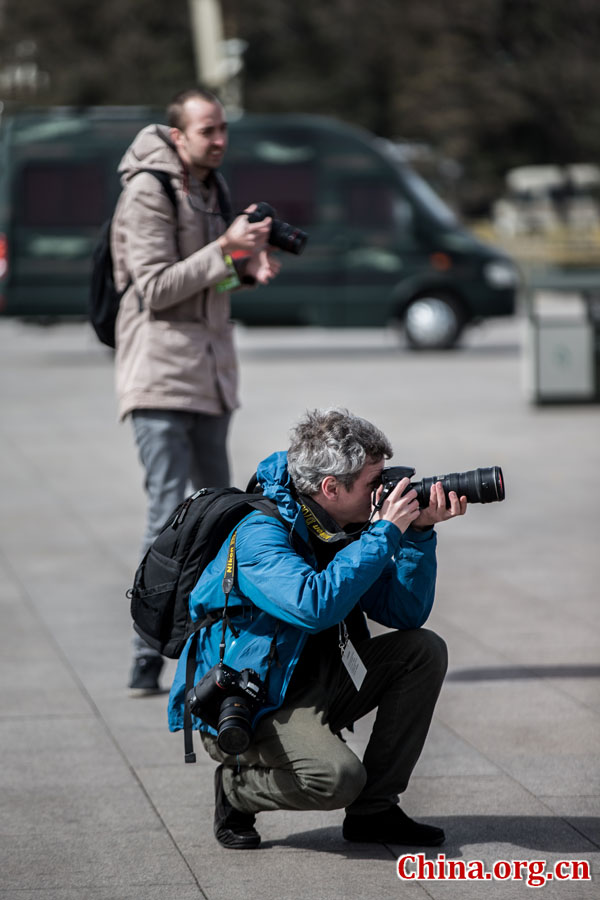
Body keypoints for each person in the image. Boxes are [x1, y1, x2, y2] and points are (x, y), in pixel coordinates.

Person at [167, 408, 468, 849]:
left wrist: (418, 535)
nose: (385, 492)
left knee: (422, 651)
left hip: (315, 678)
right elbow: (313, 606)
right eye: (374, 483)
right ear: (331, 488)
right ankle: (236, 790)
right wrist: (384, 532)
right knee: (337, 779)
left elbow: (405, 613)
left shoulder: (343, 526)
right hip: (253, 699)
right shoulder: (259, 535)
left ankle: (374, 811)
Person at [111, 87, 280, 692]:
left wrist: (245, 272)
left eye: (223, 128)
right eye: (208, 130)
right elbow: (155, 289)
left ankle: (217, 648)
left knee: (222, 513)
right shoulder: (146, 191)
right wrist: (228, 249)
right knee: (167, 511)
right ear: (177, 135)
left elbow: (206, 284)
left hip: (211, 377)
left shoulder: (212, 189)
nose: (219, 140)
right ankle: (145, 652)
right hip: (158, 377)